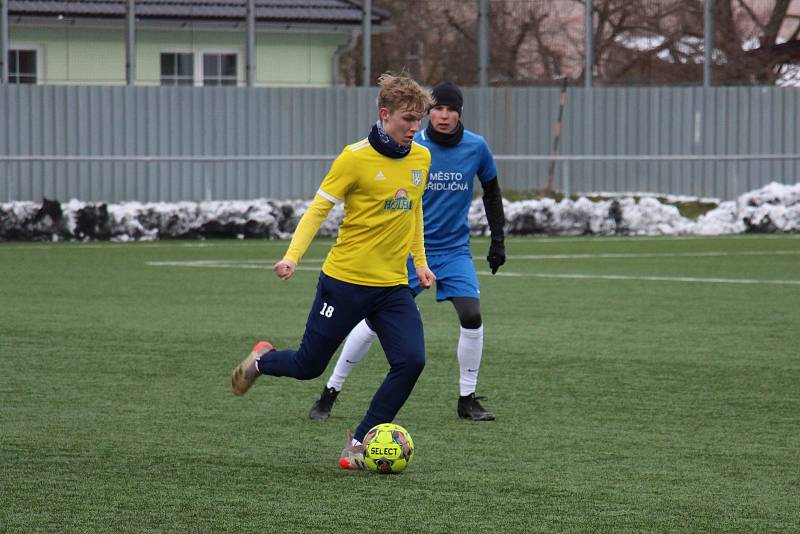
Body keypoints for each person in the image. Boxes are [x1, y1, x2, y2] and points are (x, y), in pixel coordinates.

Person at [231, 72, 435, 470]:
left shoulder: (421, 158)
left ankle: (358, 444)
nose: (416, 127)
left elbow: (413, 212)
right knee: (309, 366)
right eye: (408, 119)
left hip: (392, 287)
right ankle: (260, 362)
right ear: (385, 114)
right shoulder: (354, 157)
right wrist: (293, 256)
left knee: (412, 361)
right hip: (344, 282)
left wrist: (421, 263)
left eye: (419, 119)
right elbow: (318, 209)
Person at [308, 81, 506, 423]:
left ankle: (467, 398)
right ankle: (330, 391)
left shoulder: (477, 147)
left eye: (450, 109)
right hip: (409, 252)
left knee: (471, 315)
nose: (443, 116)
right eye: (437, 109)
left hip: (455, 250)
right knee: (372, 323)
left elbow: (491, 191)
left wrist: (498, 240)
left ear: (460, 112)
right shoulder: (413, 145)